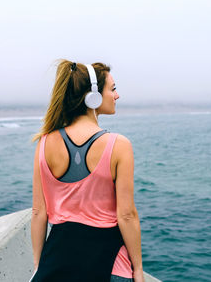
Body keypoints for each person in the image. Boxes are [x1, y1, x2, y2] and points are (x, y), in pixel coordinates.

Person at [30, 60, 144, 282]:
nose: (117, 95)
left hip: (56, 266)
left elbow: (38, 212)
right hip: (110, 267)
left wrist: (39, 266)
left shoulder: (44, 143)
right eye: (113, 89)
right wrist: (138, 269)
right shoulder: (118, 145)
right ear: (94, 96)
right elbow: (127, 215)